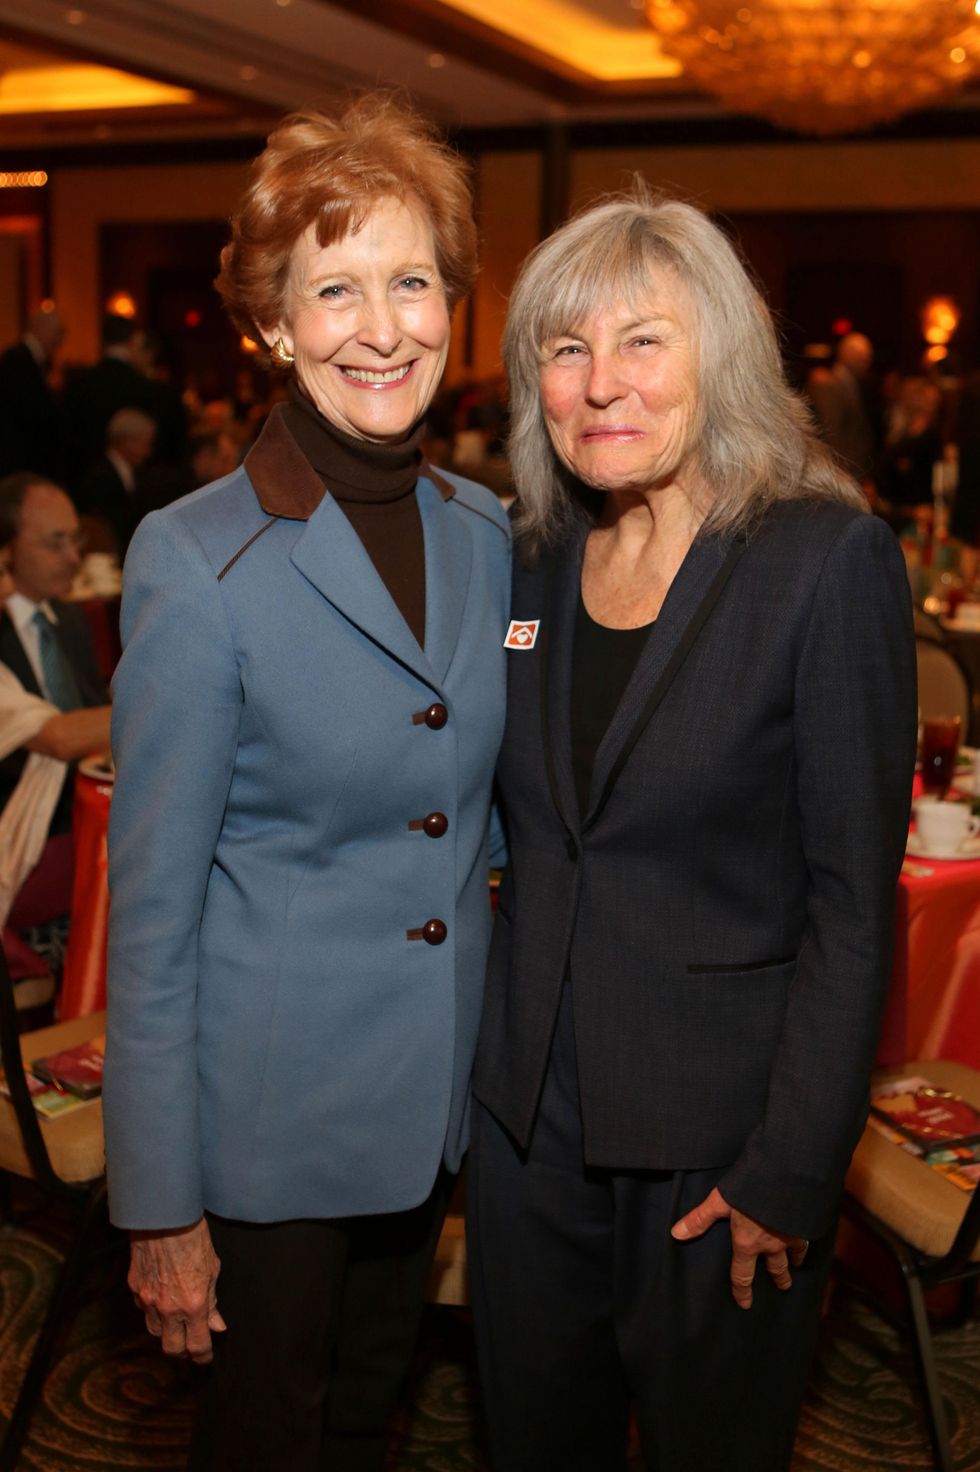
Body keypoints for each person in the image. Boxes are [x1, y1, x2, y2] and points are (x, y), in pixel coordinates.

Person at [468, 191, 916, 1472]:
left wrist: (790, 1164)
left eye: (640, 340)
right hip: (526, 1136)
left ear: (717, 353)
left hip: (717, 1153)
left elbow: (849, 902)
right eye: (563, 349)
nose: (599, 383)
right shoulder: (529, 557)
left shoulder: (824, 561)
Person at [102, 93, 510, 1472]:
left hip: (431, 1105)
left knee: (367, 1422)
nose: (382, 326)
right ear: (275, 324)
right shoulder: (194, 560)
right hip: (267, 1134)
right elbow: (148, 919)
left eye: (412, 281)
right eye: (335, 289)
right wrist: (159, 1202)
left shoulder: (488, 534)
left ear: (457, 303)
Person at [0, 533, 110, 930]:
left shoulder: (70, 618)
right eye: (0, 573)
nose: (9, 588)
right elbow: (59, 737)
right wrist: (163, 708)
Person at [77, 407, 157, 554]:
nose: (148, 452)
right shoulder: (101, 476)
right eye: (145, 444)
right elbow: (102, 526)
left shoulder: (132, 472)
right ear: (126, 441)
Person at [0, 307, 66, 481]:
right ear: (40, 328)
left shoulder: (36, 361)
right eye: (58, 332)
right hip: (21, 456)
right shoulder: (17, 360)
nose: (61, 340)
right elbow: (25, 410)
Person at [806, 330, 879, 483]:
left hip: (853, 472)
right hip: (843, 473)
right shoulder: (829, 384)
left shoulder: (854, 384)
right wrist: (841, 477)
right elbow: (833, 433)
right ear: (846, 355)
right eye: (862, 357)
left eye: (867, 358)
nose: (866, 362)